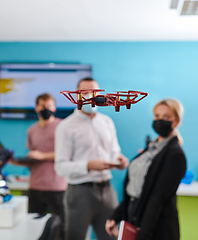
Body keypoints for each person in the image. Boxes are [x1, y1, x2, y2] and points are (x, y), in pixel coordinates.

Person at [55, 77, 129, 240]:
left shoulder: (107, 122)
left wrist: (120, 160)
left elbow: (115, 152)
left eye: (95, 92)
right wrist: (88, 166)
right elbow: (60, 167)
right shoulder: (66, 126)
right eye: (86, 92)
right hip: (80, 192)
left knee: (111, 237)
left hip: (107, 191)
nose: (91, 96)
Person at [105, 99, 187, 240]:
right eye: (157, 116)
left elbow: (157, 199)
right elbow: (136, 190)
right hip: (134, 218)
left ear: (177, 121)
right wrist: (116, 216)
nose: (160, 120)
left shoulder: (175, 155)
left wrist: (143, 235)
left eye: (166, 117)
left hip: (155, 227)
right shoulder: (150, 149)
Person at [10, 93, 67, 238]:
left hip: (57, 186)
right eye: (43, 106)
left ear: (54, 108)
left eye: (49, 106)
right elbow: (33, 156)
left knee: (61, 229)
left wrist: (42, 155)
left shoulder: (62, 127)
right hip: (36, 186)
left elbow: (66, 154)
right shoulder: (32, 130)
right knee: (34, 227)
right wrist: (15, 161)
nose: (46, 109)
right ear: (36, 108)